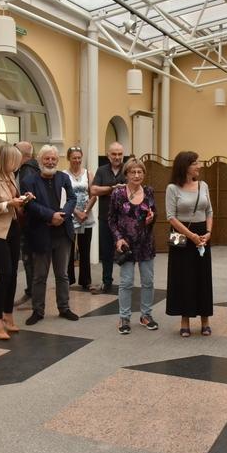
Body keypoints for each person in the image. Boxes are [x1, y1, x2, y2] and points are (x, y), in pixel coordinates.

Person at [0, 144, 33, 340]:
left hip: (13, 228)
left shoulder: (10, 176)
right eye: (15, 160)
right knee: (4, 274)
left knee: (13, 274)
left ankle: (8, 315)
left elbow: (13, 200)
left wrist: (24, 199)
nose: (17, 164)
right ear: (5, 159)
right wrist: (8, 204)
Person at [20, 145, 79, 325]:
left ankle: (64, 308)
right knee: (39, 276)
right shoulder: (29, 181)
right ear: (40, 160)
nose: (50, 162)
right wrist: (51, 216)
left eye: (53, 158)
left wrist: (62, 215)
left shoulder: (64, 177)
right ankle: (38, 311)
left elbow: (72, 198)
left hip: (62, 233)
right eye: (47, 158)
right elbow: (29, 205)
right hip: (40, 234)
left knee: (62, 275)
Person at [165, 151, 213, 337]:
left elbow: (209, 211)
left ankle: (205, 320)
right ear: (185, 166)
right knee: (183, 277)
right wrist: (191, 235)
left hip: (202, 235)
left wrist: (208, 233)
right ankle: (184, 320)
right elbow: (171, 217)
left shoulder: (203, 185)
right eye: (195, 163)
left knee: (202, 277)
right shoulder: (172, 188)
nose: (199, 166)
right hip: (180, 235)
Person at [108, 158, 157, 334]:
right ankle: (124, 317)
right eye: (133, 172)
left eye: (139, 172)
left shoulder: (149, 191)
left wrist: (151, 219)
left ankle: (146, 315)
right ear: (126, 174)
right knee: (126, 282)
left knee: (148, 281)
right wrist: (118, 238)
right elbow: (111, 219)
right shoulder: (118, 194)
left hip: (145, 244)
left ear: (144, 174)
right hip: (126, 245)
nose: (136, 175)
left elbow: (154, 214)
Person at [90, 142, 126, 294]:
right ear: (108, 155)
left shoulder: (128, 169)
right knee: (106, 252)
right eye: (114, 154)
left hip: (125, 219)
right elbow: (93, 190)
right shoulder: (102, 170)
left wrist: (122, 190)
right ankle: (107, 282)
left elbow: (134, 189)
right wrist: (112, 189)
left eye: (120, 154)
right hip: (105, 218)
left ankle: (126, 283)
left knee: (125, 251)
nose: (117, 157)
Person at [64, 146, 96, 291]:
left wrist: (85, 211)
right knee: (68, 250)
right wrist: (76, 212)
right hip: (70, 216)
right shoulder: (63, 175)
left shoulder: (88, 174)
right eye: (74, 158)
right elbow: (63, 197)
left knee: (85, 249)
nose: (77, 160)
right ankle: (68, 279)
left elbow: (93, 195)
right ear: (68, 158)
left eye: (79, 158)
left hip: (86, 216)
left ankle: (86, 280)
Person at [13, 141, 40, 308]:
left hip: (28, 223)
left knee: (29, 259)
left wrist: (19, 208)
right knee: (32, 260)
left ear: (21, 154)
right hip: (34, 222)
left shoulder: (26, 170)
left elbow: (27, 198)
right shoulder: (34, 168)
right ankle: (33, 293)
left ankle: (33, 295)